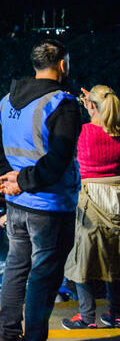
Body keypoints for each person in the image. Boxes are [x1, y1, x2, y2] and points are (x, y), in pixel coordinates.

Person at [0, 39, 81, 341]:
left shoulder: (7, 100)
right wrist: (22, 181)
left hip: (16, 204)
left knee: (15, 269)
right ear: (63, 64)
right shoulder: (63, 104)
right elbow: (58, 160)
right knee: (43, 278)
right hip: (50, 207)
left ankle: (6, 334)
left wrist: (8, 180)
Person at [61, 84, 120, 330]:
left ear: (92, 106)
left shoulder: (83, 132)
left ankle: (87, 318)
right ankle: (116, 314)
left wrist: (80, 106)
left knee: (81, 260)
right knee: (114, 259)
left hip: (90, 200)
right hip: (116, 198)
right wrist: (93, 104)